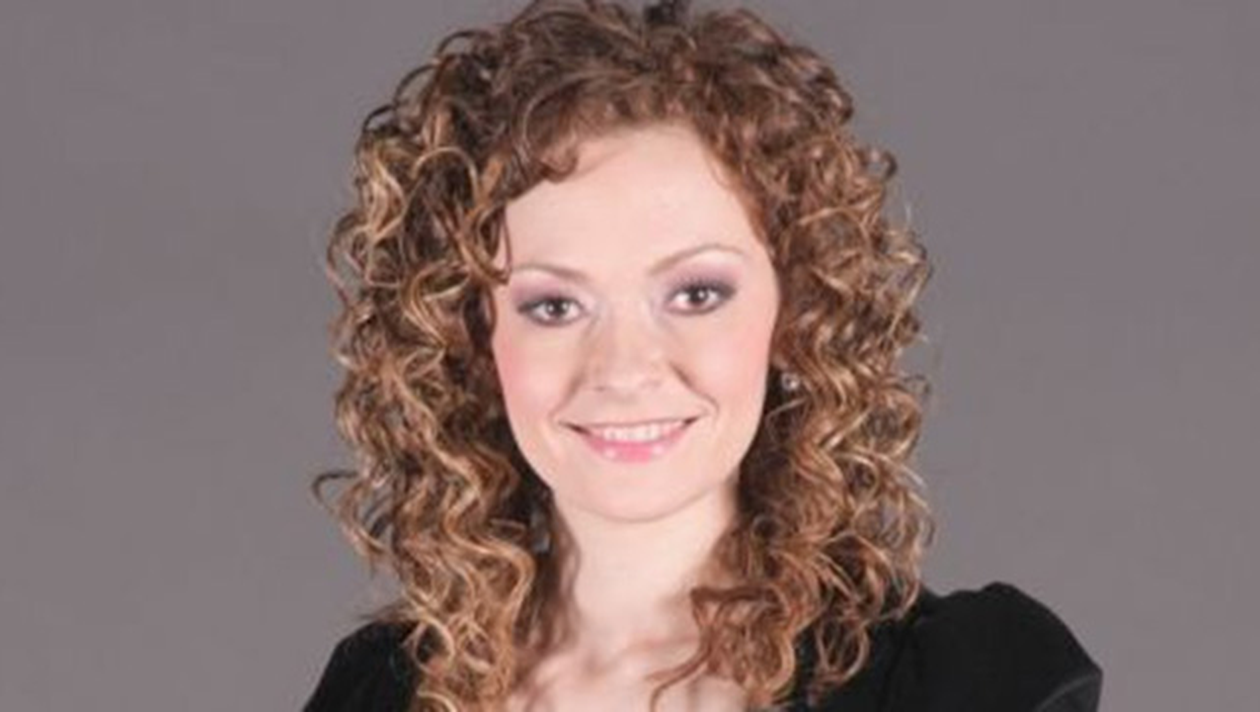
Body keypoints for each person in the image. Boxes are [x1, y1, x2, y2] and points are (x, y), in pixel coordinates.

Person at [304, 1, 1103, 710]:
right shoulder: (381, 691)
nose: (624, 369)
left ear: (797, 313)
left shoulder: (962, 688)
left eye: (695, 294)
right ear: (472, 338)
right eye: (554, 306)